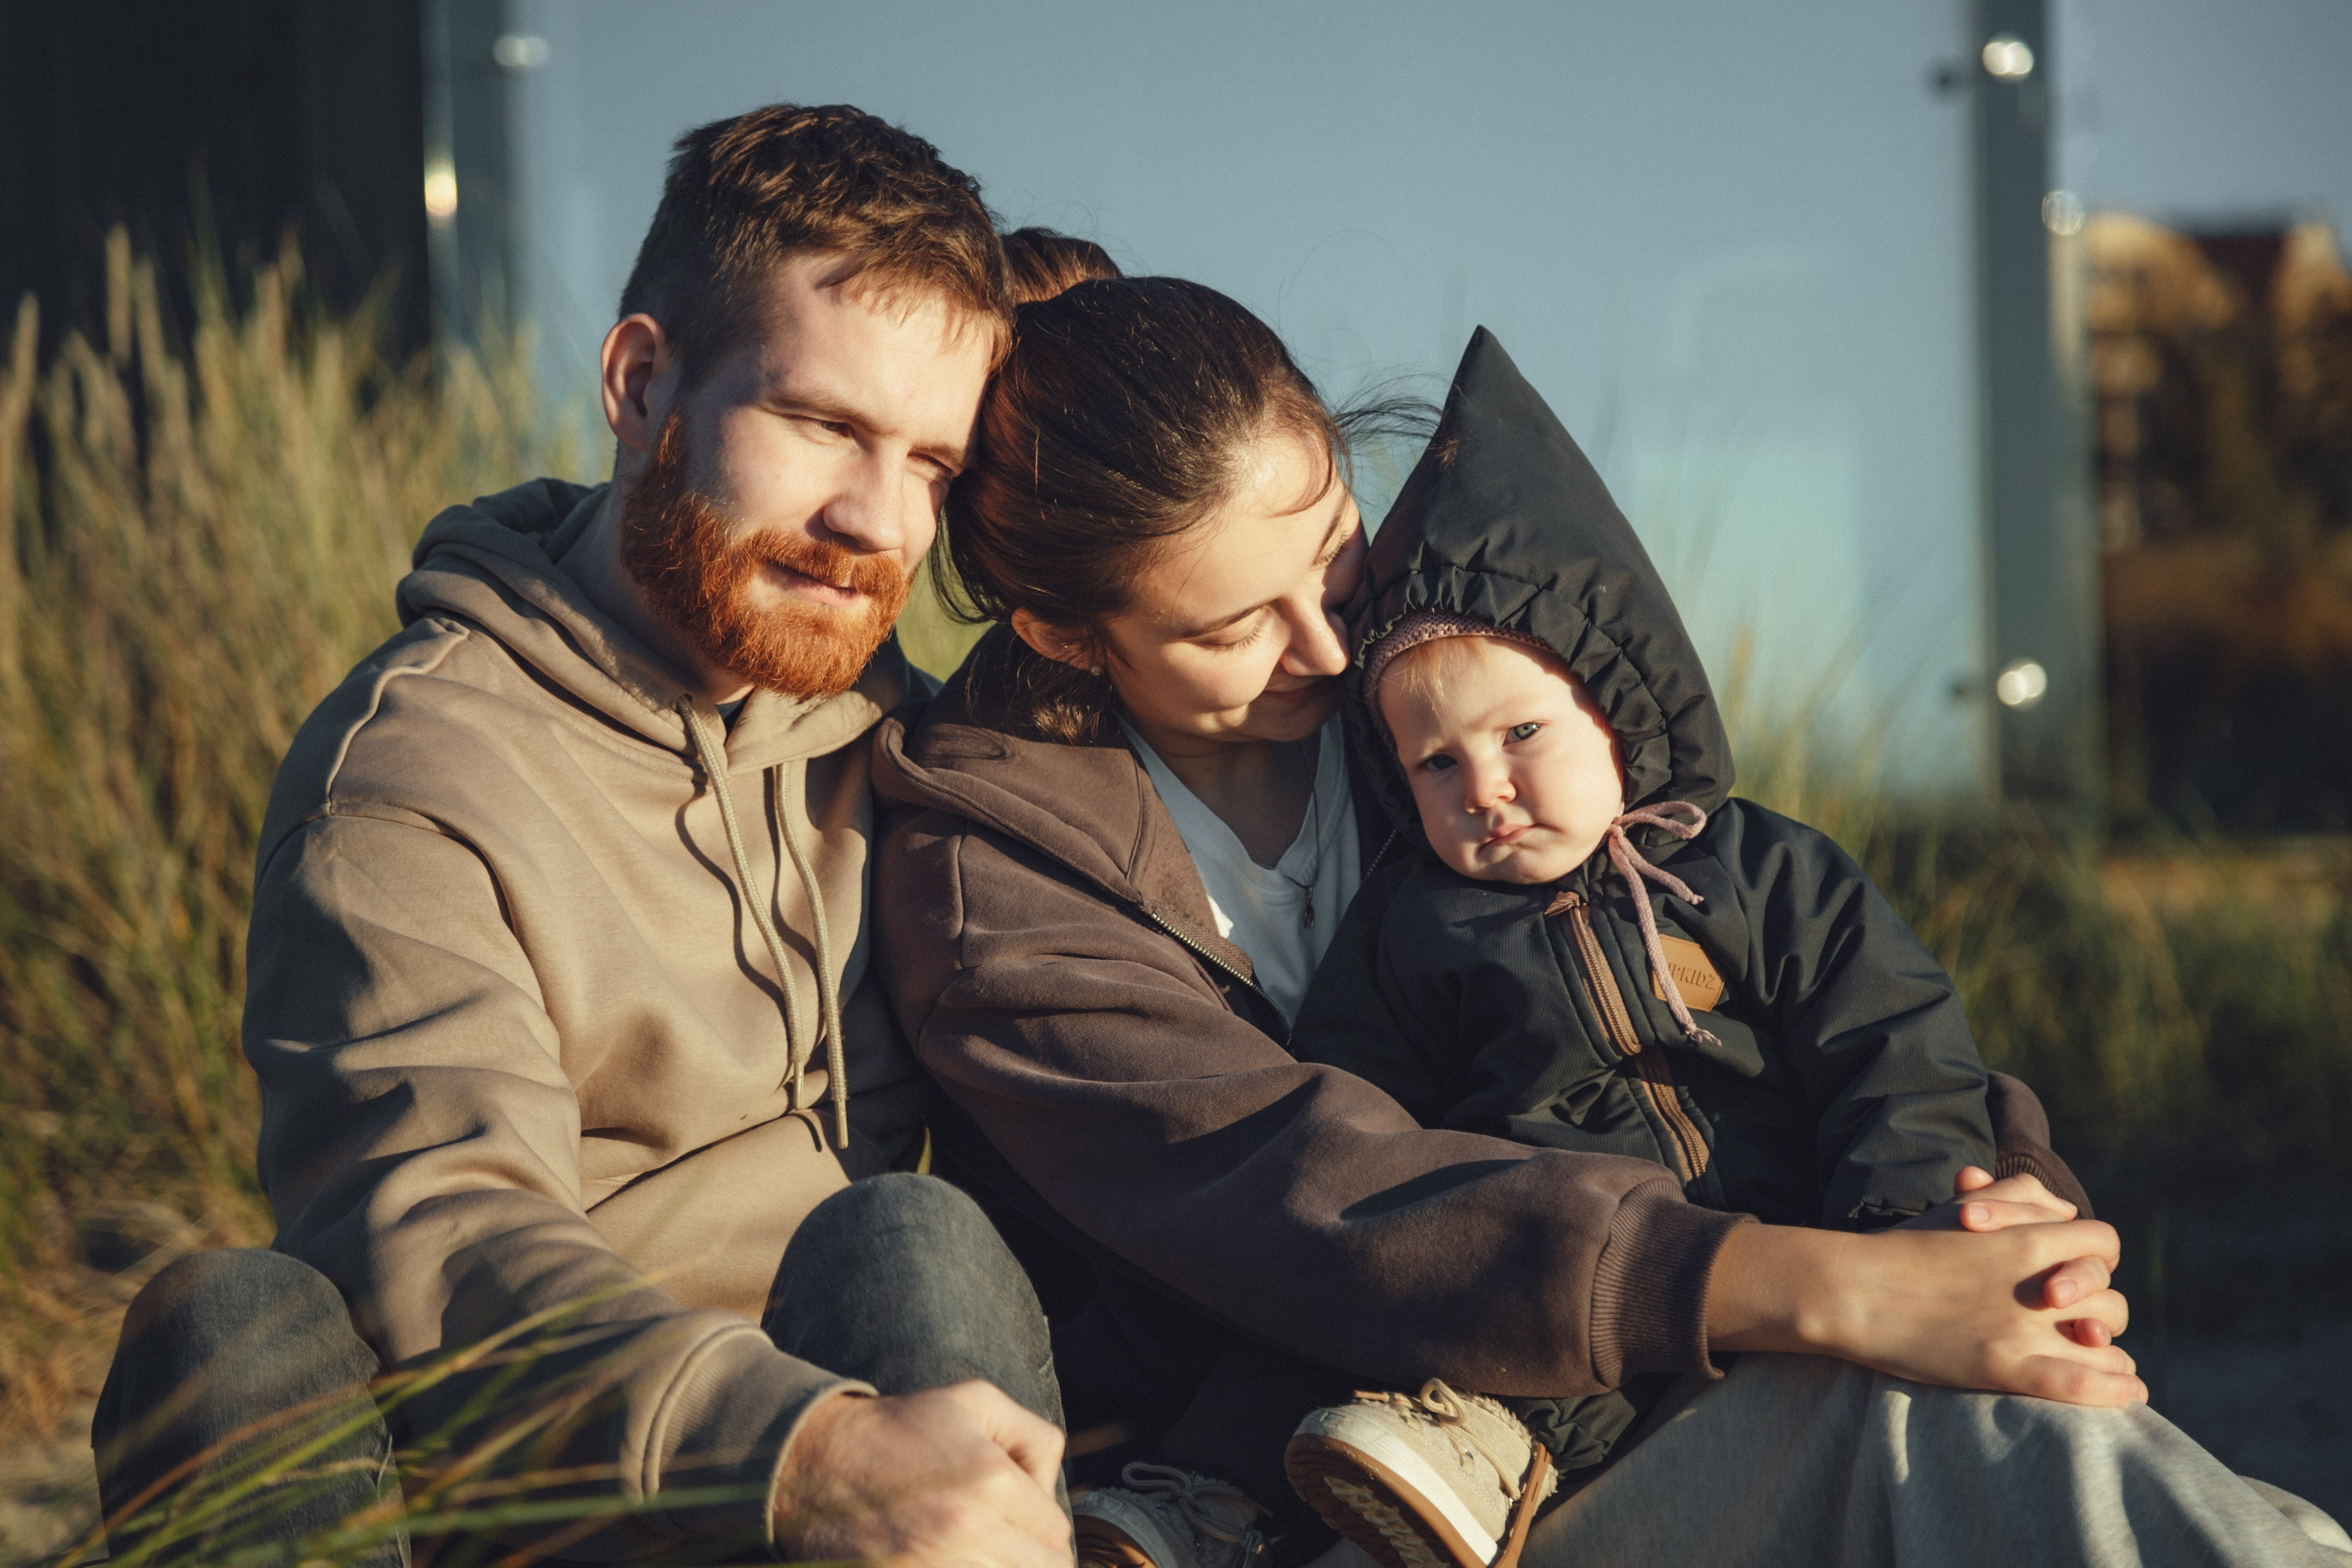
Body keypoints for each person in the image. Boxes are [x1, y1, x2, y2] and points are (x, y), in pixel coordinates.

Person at [871, 272, 2352, 1568]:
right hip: (1359, 1491)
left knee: (2162, 1492)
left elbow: (1773, 990)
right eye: (1232, 626)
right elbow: (1309, 1198)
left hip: (1677, 1377)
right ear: (1063, 631)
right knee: (1957, 1430)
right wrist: (1847, 1290)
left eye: (1333, 551)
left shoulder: (1439, 701)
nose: (1327, 644)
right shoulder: (993, 886)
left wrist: (1984, 1200)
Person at [89, 105, 1071, 1568]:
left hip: (893, 1466)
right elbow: (445, 1231)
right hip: (555, 1486)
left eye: (931, 462)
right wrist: (800, 1453)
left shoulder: (911, 744)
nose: (878, 519)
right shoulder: (412, 774)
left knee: (909, 1242)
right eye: (822, 425)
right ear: (640, 383)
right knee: (229, 1323)